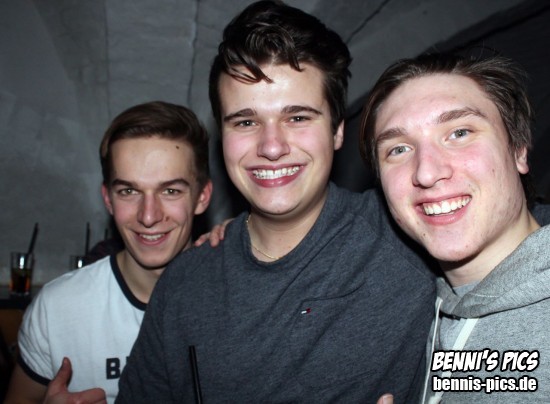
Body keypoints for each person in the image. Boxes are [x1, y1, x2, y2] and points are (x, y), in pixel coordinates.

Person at [117, 1, 437, 402]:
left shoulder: (411, 237)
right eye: (246, 122)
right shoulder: (184, 285)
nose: (271, 147)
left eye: (297, 118)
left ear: (337, 130)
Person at [359, 52, 550, 402]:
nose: (426, 172)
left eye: (459, 133)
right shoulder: (424, 306)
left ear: (519, 150)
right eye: (399, 149)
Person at [5, 101, 213, 403]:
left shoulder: (240, 302)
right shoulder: (58, 308)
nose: (149, 216)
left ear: (202, 196)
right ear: (108, 199)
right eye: (128, 191)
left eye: (170, 191)